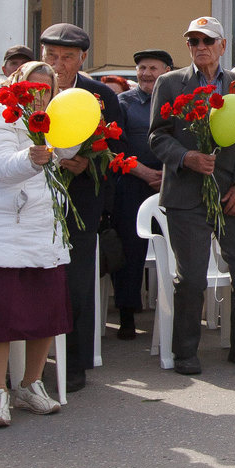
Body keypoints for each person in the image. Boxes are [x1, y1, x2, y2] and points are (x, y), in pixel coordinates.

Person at [147, 17, 235, 374]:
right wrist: (187, 157)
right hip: (187, 194)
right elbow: (156, 137)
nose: (200, 47)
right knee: (193, 278)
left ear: (222, 45)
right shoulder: (170, 83)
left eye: (207, 40)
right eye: (193, 41)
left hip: (234, 194)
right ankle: (185, 351)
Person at [0, 61, 70, 425]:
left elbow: (66, 154)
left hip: (42, 222)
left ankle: (30, 384)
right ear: (16, 83)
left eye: (47, 87)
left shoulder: (51, 114)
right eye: (33, 86)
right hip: (1, 223)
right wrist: (31, 157)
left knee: (46, 309)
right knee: (0, 313)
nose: (39, 93)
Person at [34, 22, 128, 395]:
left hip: (82, 203)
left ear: (82, 58)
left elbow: (118, 154)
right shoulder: (31, 91)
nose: (58, 65)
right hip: (35, 201)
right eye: (52, 57)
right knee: (34, 281)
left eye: (67, 58)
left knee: (76, 284)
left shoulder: (101, 96)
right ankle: (31, 365)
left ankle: (74, 365)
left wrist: (89, 164)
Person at [106, 48, 169, 339]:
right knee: (131, 251)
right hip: (131, 183)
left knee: (174, 250)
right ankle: (128, 314)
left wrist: (167, 175)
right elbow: (113, 147)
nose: (146, 74)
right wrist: (142, 171)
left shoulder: (177, 102)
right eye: (142, 68)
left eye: (152, 68)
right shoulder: (123, 103)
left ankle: (174, 314)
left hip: (170, 183)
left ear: (167, 71)